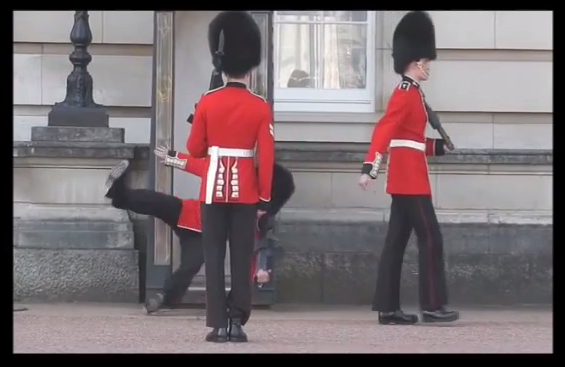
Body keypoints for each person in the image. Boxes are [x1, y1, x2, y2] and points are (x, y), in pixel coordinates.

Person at [358, 11, 459, 325]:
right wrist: (369, 167)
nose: (428, 66)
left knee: (396, 243)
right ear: (416, 61)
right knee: (431, 238)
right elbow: (385, 131)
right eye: (426, 61)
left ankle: (388, 308)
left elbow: (410, 141)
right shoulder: (404, 94)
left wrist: (438, 147)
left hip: (407, 178)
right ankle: (432, 305)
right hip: (410, 182)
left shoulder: (413, 94)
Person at [104, 152, 294, 315]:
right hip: (187, 211)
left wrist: (261, 271)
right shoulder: (235, 185)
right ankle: (119, 194)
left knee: (191, 265)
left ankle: (166, 299)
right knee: (155, 201)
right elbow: (203, 166)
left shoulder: (260, 222)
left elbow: (263, 248)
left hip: (202, 237)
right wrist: (172, 157)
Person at [187, 11, 275, 343]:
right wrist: (264, 197)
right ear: (250, 66)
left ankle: (217, 324)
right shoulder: (259, 106)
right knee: (241, 259)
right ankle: (237, 322)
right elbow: (265, 158)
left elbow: (194, 149)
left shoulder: (208, 102)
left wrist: (199, 117)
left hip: (212, 191)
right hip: (246, 194)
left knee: (214, 258)